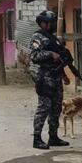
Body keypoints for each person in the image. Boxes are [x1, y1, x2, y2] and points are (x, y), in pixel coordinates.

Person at [29, 10, 70, 150]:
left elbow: (60, 59)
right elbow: (34, 56)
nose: (52, 25)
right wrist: (50, 53)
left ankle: (53, 137)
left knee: (56, 108)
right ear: (43, 23)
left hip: (56, 77)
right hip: (44, 78)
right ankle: (37, 138)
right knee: (43, 108)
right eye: (50, 23)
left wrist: (64, 75)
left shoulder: (53, 38)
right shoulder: (37, 37)